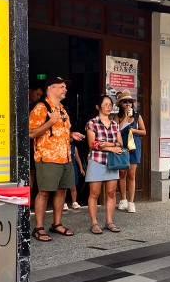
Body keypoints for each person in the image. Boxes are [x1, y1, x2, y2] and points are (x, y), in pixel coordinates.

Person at [28, 77, 85, 242]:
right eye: (61, 87)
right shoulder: (41, 108)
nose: (65, 89)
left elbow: (61, 131)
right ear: (50, 88)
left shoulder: (62, 109)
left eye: (65, 87)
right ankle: (39, 228)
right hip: (47, 157)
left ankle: (57, 223)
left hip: (65, 157)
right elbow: (31, 133)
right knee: (44, 192)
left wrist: (72, 135)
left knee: (62, 191)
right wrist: (50, 122)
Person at [85, 95, 124, 234]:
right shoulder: (92, 123)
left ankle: (109, 222)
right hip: (96, 160)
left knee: (111, 193)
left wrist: (107, 144)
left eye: (110, 104)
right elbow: (92, 144)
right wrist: (110, 147)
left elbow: (120, 144)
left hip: (112, 162)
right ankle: (94, 223)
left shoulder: (115, 124)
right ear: (98, 107)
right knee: (94, 193)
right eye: (106, 104)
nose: (109, 107)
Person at [115, 91, 147, 213]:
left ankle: (131, 202)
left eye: (130, 102)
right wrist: (127, 118)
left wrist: (134, 130)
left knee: (132, 174)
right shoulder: (117, 117)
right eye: (125, 102)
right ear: (121, 104)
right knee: (122, 173)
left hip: (134, 147)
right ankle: (123, 199)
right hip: (122, 146)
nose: (128, 104)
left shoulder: (138, 116)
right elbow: (117, 130)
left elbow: (144, 132)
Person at [67, 139, 84, 210]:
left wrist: (81, 168)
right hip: (64, 167)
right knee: (63, 188)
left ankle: (74, 202)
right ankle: (63, 203)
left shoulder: (74, 147)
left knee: (73, 186)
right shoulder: (61, 146)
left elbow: (78, 158)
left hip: (73, 167)